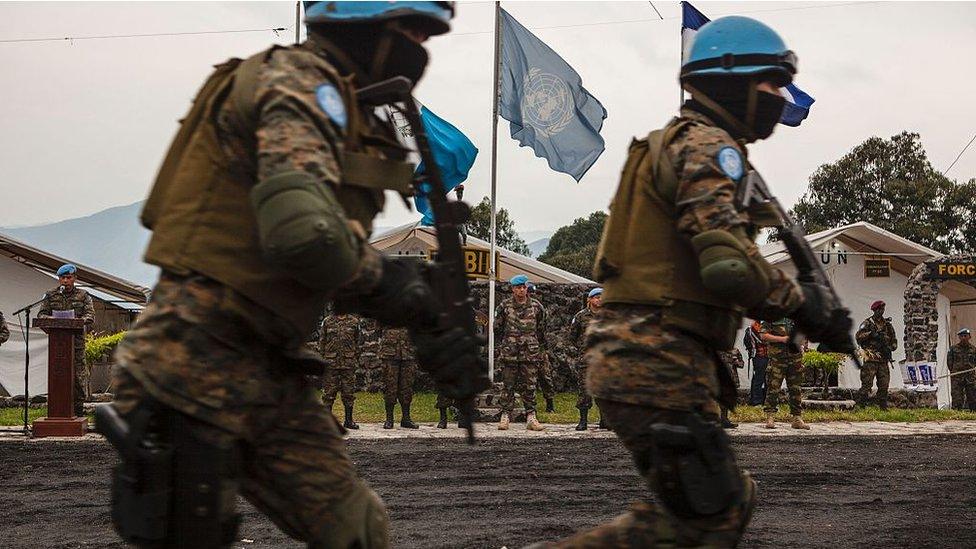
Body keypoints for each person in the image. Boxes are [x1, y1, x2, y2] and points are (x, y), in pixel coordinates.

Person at [104, 3, 487, 547]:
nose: (421, 47)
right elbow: (304, 235)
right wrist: (399, 290)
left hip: (269, 363)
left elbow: (328, 249)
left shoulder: (353, 111)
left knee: (356, 528)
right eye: (411, 30)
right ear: (362, 25)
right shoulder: (299, 84)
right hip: (191, 359)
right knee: (189, 532)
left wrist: (427, 310)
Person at [528, 16, 853, 548]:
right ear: (734, 83)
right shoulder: (707, 148)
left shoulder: (684, 144)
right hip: (654, 357)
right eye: (770, 83)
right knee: (709, 516)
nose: (779, 96)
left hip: (655, 355)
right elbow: (727, 266)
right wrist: (801, 305)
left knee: (719, 508)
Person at [38, 264, 95, 417]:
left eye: (68, 278)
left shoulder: (83, 296)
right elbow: (41, 315)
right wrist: (52, 319)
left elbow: (90, 317)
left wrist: (76, 321)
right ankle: (57, 411)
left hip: (75, 344)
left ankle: (78, 410)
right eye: (62, 278)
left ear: (74, 278)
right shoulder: (50, 295)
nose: (65, 281)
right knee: (58, 375)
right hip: (57, 347)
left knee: (78, 376)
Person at [495, 274, 547, 431]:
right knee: (508, 385)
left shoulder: (537, 307)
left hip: (529, 354)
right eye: (518, 287)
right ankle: (505, 416)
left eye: (524, 287)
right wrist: (504, 345)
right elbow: (497, 328)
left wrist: (537, 347)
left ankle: (531, 417)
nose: (521, 290)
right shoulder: (504, 307)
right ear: (512, 289)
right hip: (510, 353)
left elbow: (541, 329)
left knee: (530, 386)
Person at [760, 318, 808, 430]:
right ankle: (770, 417)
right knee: (773, 388)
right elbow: (763, 336)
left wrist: (801, 344)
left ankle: (797, 418)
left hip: (795, 358)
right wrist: (782, 339)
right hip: (778, 359)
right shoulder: (772, 315)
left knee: (796, 389)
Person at [320, 312, 363, 429]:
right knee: (329, 393)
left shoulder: (354, 322)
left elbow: (358, 342)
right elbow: (322, 342)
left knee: (348, 393)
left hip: (348, 363)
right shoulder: (327, 321)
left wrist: (353, 357)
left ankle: (348, 421)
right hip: (331, 363)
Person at [570, 287, 604, 431]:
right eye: (596, 297)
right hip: (586, 360)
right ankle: (583, 420)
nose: (599, 300)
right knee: (584, 390)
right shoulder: (580, 316)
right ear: (589, 299)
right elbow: (572, 336)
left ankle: (604, 420)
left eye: (602, 297)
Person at [855, 300, 897, 410]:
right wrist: (871, 335)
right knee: (867, 384)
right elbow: (858, 337)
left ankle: (883, 406)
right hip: (871, 358)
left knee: (884, 384)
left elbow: (894, 341)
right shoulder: (868, 323)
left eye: (883, 309)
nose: (881, 311)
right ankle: (860, 405)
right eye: (879, 309)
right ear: (875, 310)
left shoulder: (887, 325)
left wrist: (890, 348)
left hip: (883, 359)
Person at [378, 327, 419, 429]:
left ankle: (406, 418)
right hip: (390, 356)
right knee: (390, 387)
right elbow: (377, 329)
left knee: (407, 388)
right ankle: (389, 419)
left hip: (408, 355)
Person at [527, 281, 557, 412]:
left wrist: (542, 347)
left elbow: (543, 327)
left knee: (545, 376)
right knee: (526, 379)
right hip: (522, 348)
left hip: (539, 347)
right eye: (530, 293)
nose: (532, 296)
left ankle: (550, 403)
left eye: (533, 293)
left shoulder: (539, 308)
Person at [947, 328, 976, 411]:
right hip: (957, 377)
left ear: (969, 337)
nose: (963, 338)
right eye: (961, 336)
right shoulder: (953, 349)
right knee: (957, 397)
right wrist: (954, 371)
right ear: (959, 337)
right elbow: (949, 363)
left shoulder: (973, 349)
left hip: (970, 377)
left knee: (973, 396)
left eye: (965, 336)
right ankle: (956, 412)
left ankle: (973, 413)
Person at [716, 348, 744, 429]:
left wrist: (736, 362)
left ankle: (724, 420)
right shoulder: (715, 349)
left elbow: (741, 364)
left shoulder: (735, 351)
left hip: (731, 379)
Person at [744, 320, 768, 405]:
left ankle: (758, 400)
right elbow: (764, 339)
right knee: (760, 379)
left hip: (758, 357)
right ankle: (757, 401)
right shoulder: (756, 327)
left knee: (759, 378)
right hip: (761, 356)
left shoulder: (752, 327)